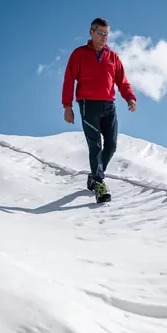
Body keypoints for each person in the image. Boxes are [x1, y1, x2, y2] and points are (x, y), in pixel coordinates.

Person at [62, 17, 137, 202]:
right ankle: (99, 183)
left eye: (106, 34)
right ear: (91, 32)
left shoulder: (112, 57)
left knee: (111, 145)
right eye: (100, 33)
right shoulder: (79, 54)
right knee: (95, 145)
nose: (104, 37)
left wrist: (130, 97)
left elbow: (122, 80)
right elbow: (69, 80)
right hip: (89, 105)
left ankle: (95, 175)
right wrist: (67, 106)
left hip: (109, 105)